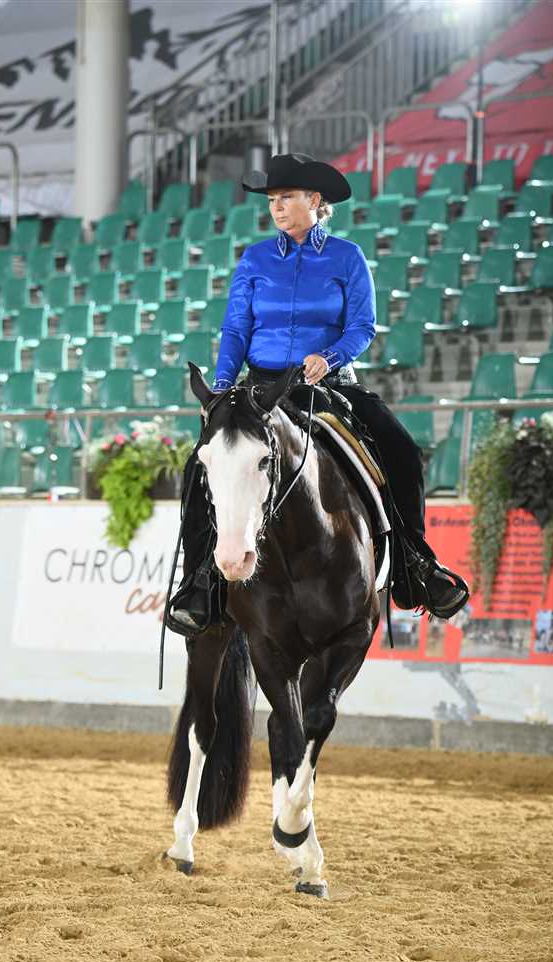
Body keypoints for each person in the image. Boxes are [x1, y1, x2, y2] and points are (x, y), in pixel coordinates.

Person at [167, 153, 469, 634]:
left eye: (286, 197)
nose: (276, 207)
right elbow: (236, 329)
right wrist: (222, 387)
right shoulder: (255, 259)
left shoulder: (347, 257)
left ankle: (415, 565)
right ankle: (200, 582)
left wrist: (329, 357)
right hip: (260, 388)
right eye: (272, 199)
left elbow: (362, 326)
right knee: (199, 468)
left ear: (314, 200)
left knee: (402, 452)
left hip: (325, 384)